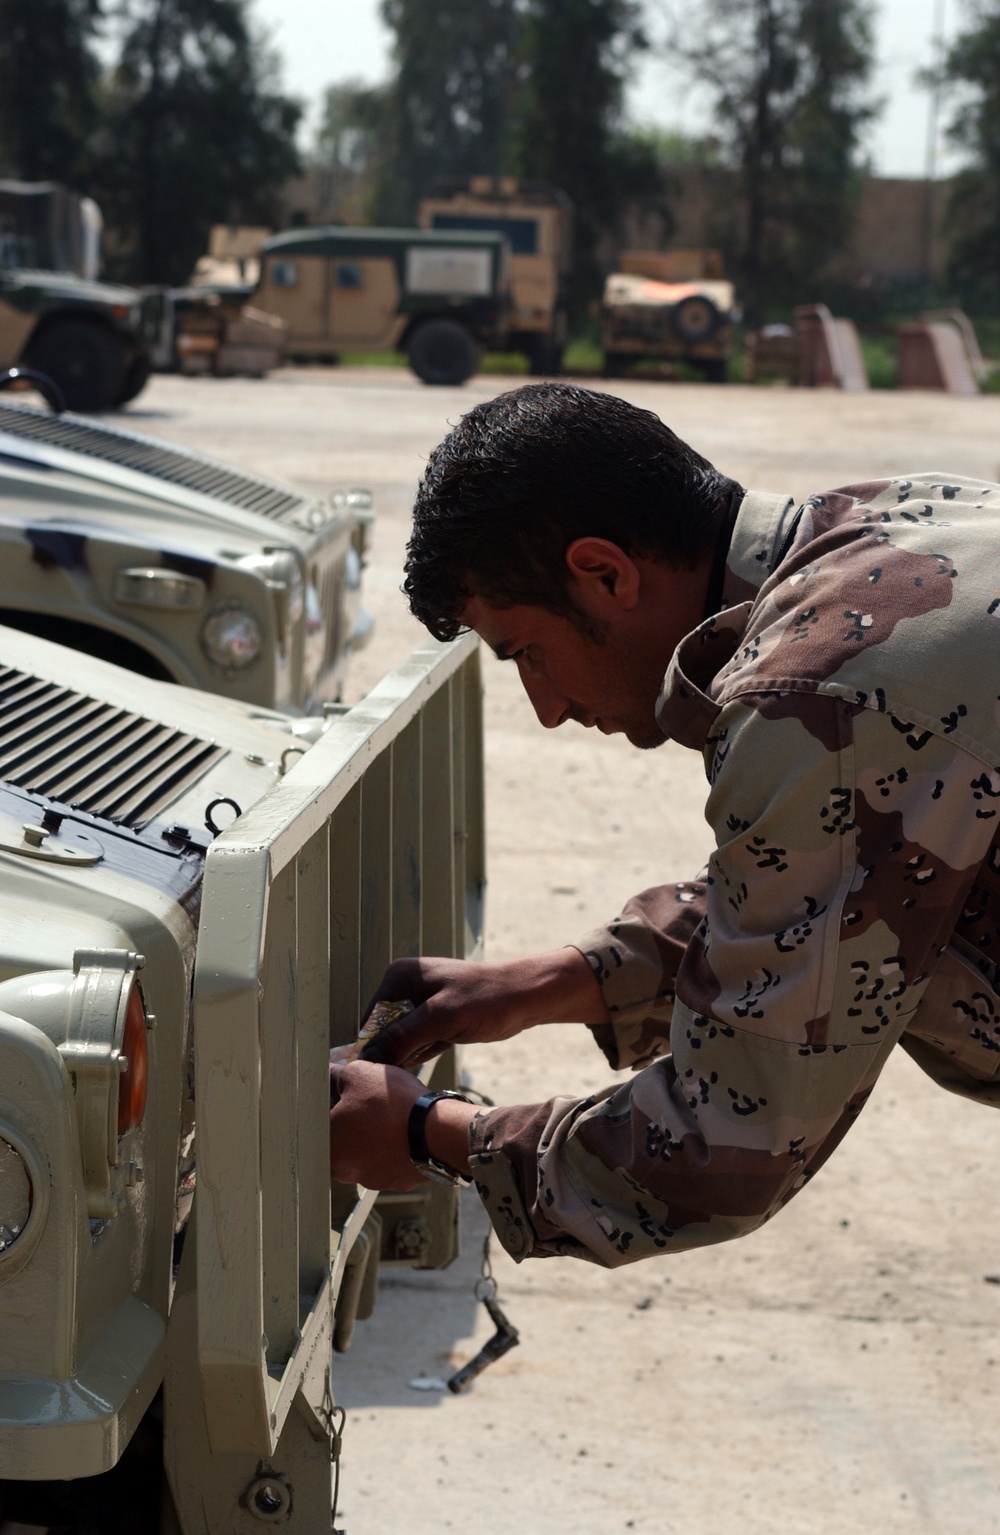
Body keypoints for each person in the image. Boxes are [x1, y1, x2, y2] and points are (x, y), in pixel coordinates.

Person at [328, 381, 1000, 1267]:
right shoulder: (905, 522)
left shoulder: (820, 692)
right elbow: (853, 891)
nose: (547, 707)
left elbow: (730, 1139)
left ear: (607, 574)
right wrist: (559, 980)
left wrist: (427, 1130)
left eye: (527, 651)